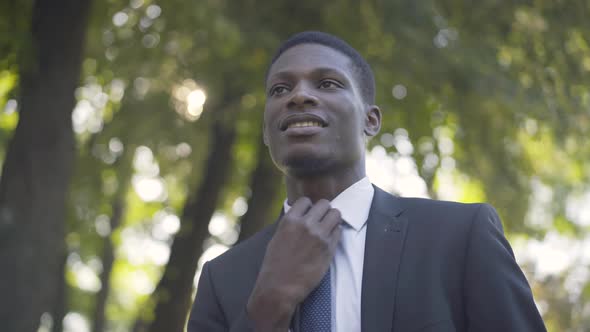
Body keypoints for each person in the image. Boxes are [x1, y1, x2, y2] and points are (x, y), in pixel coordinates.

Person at [187, 31, 546, 332]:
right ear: (267, 132)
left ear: (371, 121)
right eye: (280, 90)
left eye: (327, 83)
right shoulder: (222, 278)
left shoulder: (461, 236)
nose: (298, 96)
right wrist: (268, 304)